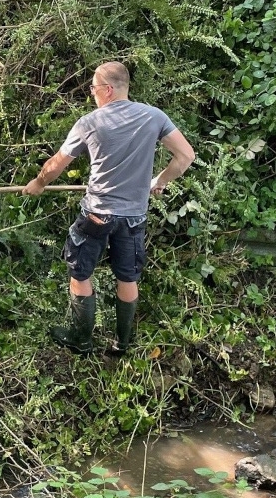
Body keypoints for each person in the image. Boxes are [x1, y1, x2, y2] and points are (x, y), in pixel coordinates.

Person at [22, 61, 195, 355]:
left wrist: (38, 183)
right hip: (133, 218)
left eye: (93, 88)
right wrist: (160, 181)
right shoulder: (155, 117)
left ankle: (81, 341)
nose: (92, 93)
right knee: (127, 276)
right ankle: (121, 344)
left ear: (108, 89)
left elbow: (56, 165)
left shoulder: (89, 123)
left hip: (97, 215)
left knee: (79, 273)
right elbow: (186, 156)